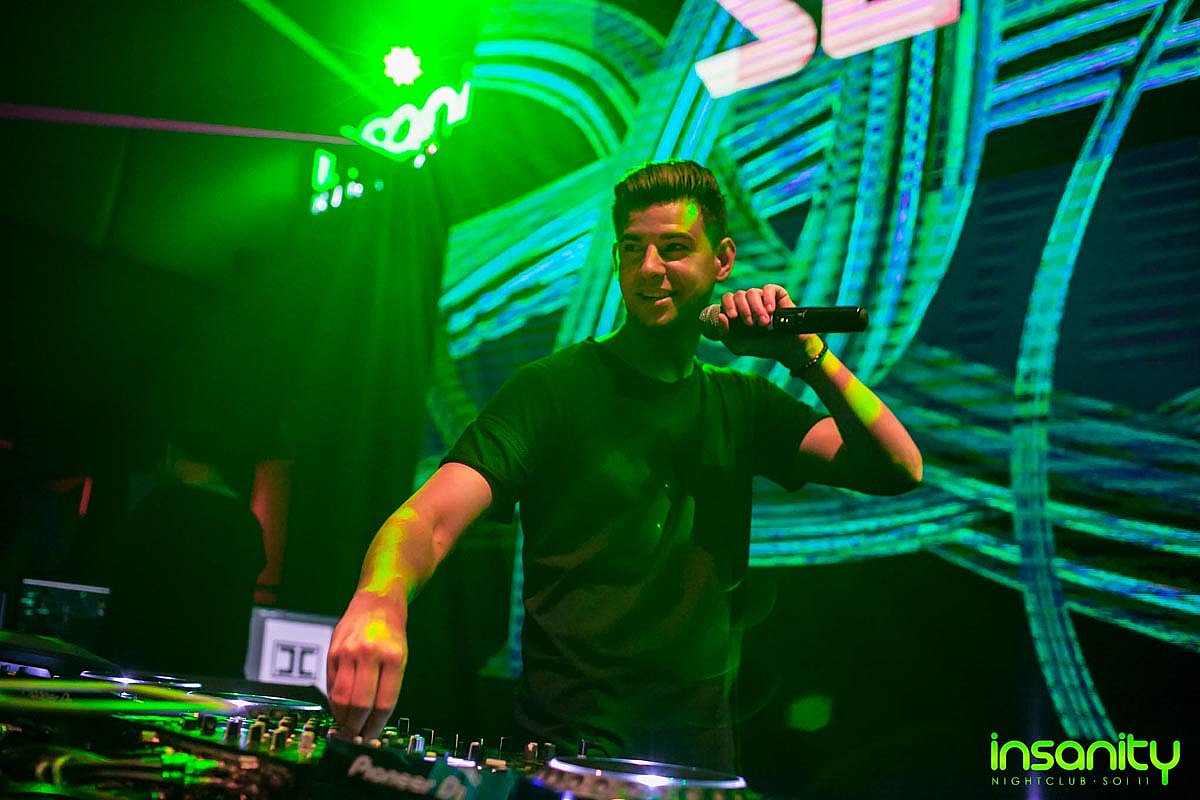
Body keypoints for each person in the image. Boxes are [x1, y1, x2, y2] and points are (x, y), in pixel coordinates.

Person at [327, 160, 922, 771]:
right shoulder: (552, 390)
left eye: (674, 248)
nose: (649, 268)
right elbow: (428, 519)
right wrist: (380, 599)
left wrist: (808, 355)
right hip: (565, 753)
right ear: (615, 261)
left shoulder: (742, 403)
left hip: (698, 761)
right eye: (633, 249)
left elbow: (898, 467)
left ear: (722, 260)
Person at [97, 424, 265, 678]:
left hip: (146, 673)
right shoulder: (245, 522)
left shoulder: (157, 507)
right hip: (214, 678)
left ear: (170, 453)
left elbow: (125, 590)